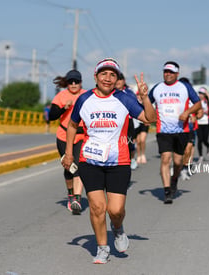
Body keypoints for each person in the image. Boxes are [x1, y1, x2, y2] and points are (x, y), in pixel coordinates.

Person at [61, 58, 156, 264]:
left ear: (116, 79)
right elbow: (71, 125)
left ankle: (118, 228)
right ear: (95, 77)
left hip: (119, 162)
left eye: (112, 75)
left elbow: (150, 119)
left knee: (115, 210)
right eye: (104, 74)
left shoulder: (124, 99)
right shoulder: (84, 99)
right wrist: (69, 153)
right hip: (90, 161)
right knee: (97, 207)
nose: (108, 78)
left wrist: (145, 98)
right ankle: (102, 248)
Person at [148, 61, 201, 204]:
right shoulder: (157, 88)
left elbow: (198, 103)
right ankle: (167, 191)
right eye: (166, 71)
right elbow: (147, 102)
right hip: (163, 130)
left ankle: (174, 179)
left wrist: (187, 112)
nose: (168, 74)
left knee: (178, 162)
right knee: (165, 158)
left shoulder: (184, 87)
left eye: (171, 72)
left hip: (181, 130)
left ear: (177, 74)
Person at [49, 69, 86, 215]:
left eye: (76, 81)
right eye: (71, 82)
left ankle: (77, 199)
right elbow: (51, 116)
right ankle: (70, 194)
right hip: (64, 136)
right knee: (68, 167)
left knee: (78, 167)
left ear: (81, 82)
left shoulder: (87, 95)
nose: (74, 84)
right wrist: (64, 108)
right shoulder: (61, 96)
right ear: (67, 83)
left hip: (82, 136)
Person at [115, 73, 138, 170]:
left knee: (129, 144)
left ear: (124, 81)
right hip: (115, 124)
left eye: (120, 80)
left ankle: (131, 159)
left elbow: (134, 106)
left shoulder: (129, 92)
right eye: (117, 80)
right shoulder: (111, 92)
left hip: (128, 123)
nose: (118, 82)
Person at [196, 87, 209, 163]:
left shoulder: (207, 101)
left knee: (205, 140)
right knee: (199, 139)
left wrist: (208, 95)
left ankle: (208, 146)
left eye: (202, 94)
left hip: (206, 123)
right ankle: (200, 156)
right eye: (199, 93)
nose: (200, 95)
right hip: (198, 123)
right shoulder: (196, 101)